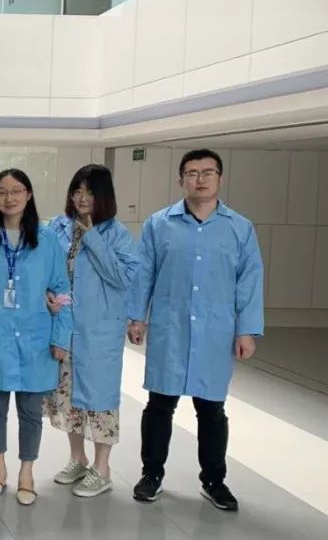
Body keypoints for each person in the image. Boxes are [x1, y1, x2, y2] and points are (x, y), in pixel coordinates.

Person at [128, 149, 263, 512]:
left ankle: (214, 481)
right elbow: (144, 272)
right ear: (180, 179)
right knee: (159, 406)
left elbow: (249, 280)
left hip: (215, 333)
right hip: (170, 329)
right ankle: (151, 475)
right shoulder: (159, 224)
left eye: (207, 172)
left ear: (220, 178)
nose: (199, 179)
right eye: (192, 173)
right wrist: (137, 317)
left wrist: (247, 330)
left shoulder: (239, 228)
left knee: (212, 410)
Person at [0, 169, 72, 507]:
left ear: (28, 195)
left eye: (16, 191)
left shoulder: (48, 239)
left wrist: (61, 336)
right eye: (2, 191)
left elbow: (62, 290)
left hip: (36, 337)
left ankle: (27, 471)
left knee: (30, 410)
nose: (9, 198)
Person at [42, 164, 137, 498]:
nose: (82, 198)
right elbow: (44, 268)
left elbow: (124, 278)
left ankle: (102, 468)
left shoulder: (116, 234)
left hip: (98, 331)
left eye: (90, 192)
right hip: (63, 328)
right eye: (77, 190)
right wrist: (46, 294)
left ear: (104, 196)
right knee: (68, 396)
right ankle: (78, 459)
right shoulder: (57, 226)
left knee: (99, 398)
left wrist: (91, 236)